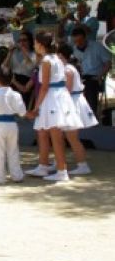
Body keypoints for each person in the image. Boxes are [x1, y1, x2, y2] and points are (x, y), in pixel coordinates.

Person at [25, 31, 83, 182]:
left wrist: (36, 108)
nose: (34, 45)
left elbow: (44, 87)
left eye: (35, 43)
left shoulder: (47, 61)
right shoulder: (55, 58)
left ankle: (62, 170)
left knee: (55, 134)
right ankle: (43, 165)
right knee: (42, 132)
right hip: (57, 96)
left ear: (40, 45)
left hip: (52, 97)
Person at [58, 43, 97, 176]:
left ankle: (82, 165)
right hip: (73, 101)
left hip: (73, 103)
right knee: (62, 135)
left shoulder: (67, 69)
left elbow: (67, 91)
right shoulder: (67, 68)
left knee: (72, 137)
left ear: (60, 55)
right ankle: (60, 161)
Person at [70, 25, 111, 116]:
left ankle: (90, 114)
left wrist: (100, 76)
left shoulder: (97, 46)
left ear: (85, 38)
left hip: (95, 77)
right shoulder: (74, 50)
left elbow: (108, 63)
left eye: (80, 41)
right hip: (80, 76)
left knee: (89, 86)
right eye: (76, 41)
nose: (78, 43)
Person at [2, 30, 37, 106]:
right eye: (20, 40)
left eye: (24, 40)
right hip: (13, 81)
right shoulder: (15, 53)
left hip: (25, 82)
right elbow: (4, 68)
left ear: (30, 41)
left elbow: (30, 67)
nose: (22, 43)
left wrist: (24, 50)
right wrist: (10, 53)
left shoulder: (34, 54)